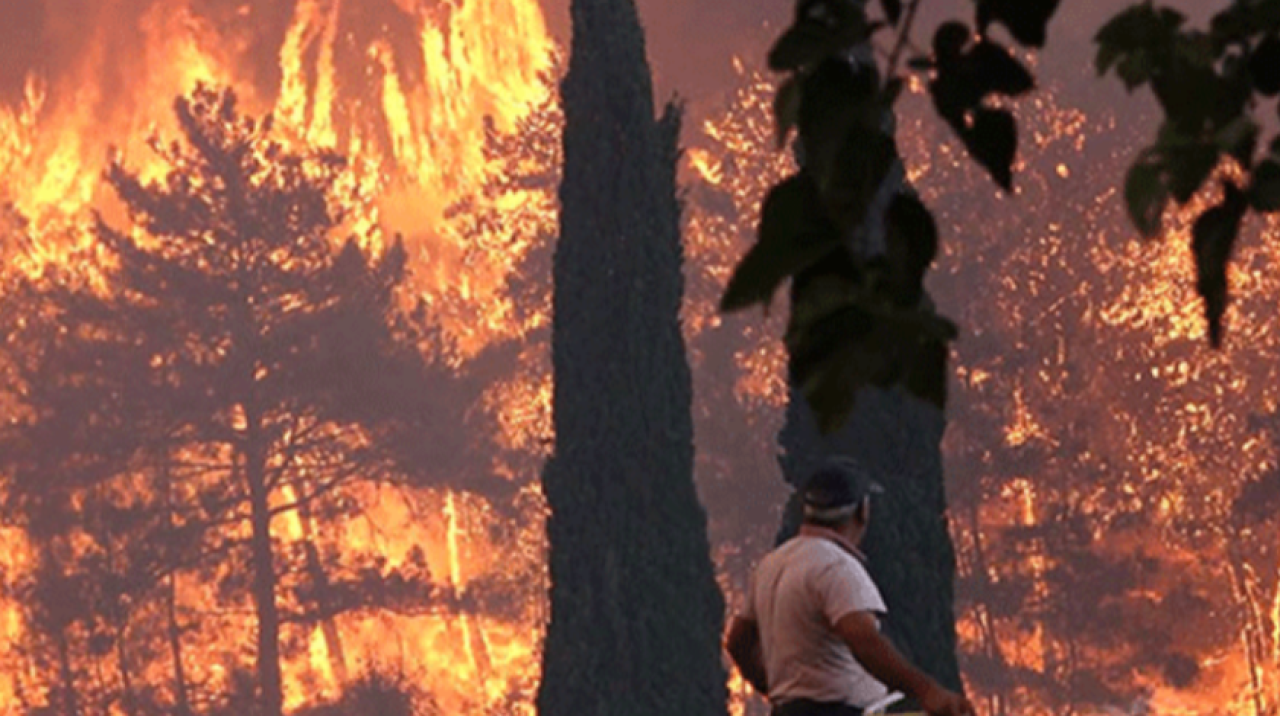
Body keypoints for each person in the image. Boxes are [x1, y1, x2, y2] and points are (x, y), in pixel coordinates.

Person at [725, 458, 975, 716]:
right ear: (862, 511)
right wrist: (928, 691)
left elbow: (738, 643)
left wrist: (782, 695)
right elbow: (863, 640)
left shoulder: (772, 564)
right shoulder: (836, 567)